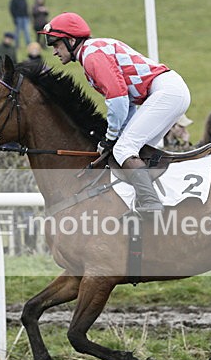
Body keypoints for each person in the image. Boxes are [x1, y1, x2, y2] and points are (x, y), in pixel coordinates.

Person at [39, 12, 191, 213]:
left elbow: (118, 99)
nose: (55, 52)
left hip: (167, 92)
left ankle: (151, 203)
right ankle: (153, 200)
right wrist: (116, 135)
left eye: (56, 45)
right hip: (168, 91)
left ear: (71, 40)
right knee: (135, 150)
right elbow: (126, 102)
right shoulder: (92, 52)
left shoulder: (92, 57)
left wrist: (110, 137)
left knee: (123, 150)